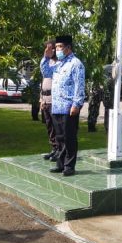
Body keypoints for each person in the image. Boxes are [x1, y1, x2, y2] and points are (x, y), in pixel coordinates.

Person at [40, 35, 85, 177]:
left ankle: (69, 165)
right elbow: (46, 72)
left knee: (69, 137)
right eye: (56, 47)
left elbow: (80, 85)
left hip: (68, 107)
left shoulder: (76, 64)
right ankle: (60, 164)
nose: (57, 50)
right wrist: (46, 58)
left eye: (59, 47)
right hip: (56, 106)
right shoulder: (58, 64)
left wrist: (76, 104)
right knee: (59, 138)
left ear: (68, 48)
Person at [39, 40, 59, 160]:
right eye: (47, 48)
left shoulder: (59, 64)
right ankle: (54, 148)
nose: (48, 50)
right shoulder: (48, 62)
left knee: (57, 127)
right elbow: (44, 81)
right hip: (46, 99)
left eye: (51, 48)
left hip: (54, 100)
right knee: (50, 127)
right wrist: (41, 99)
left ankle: (59, 150)